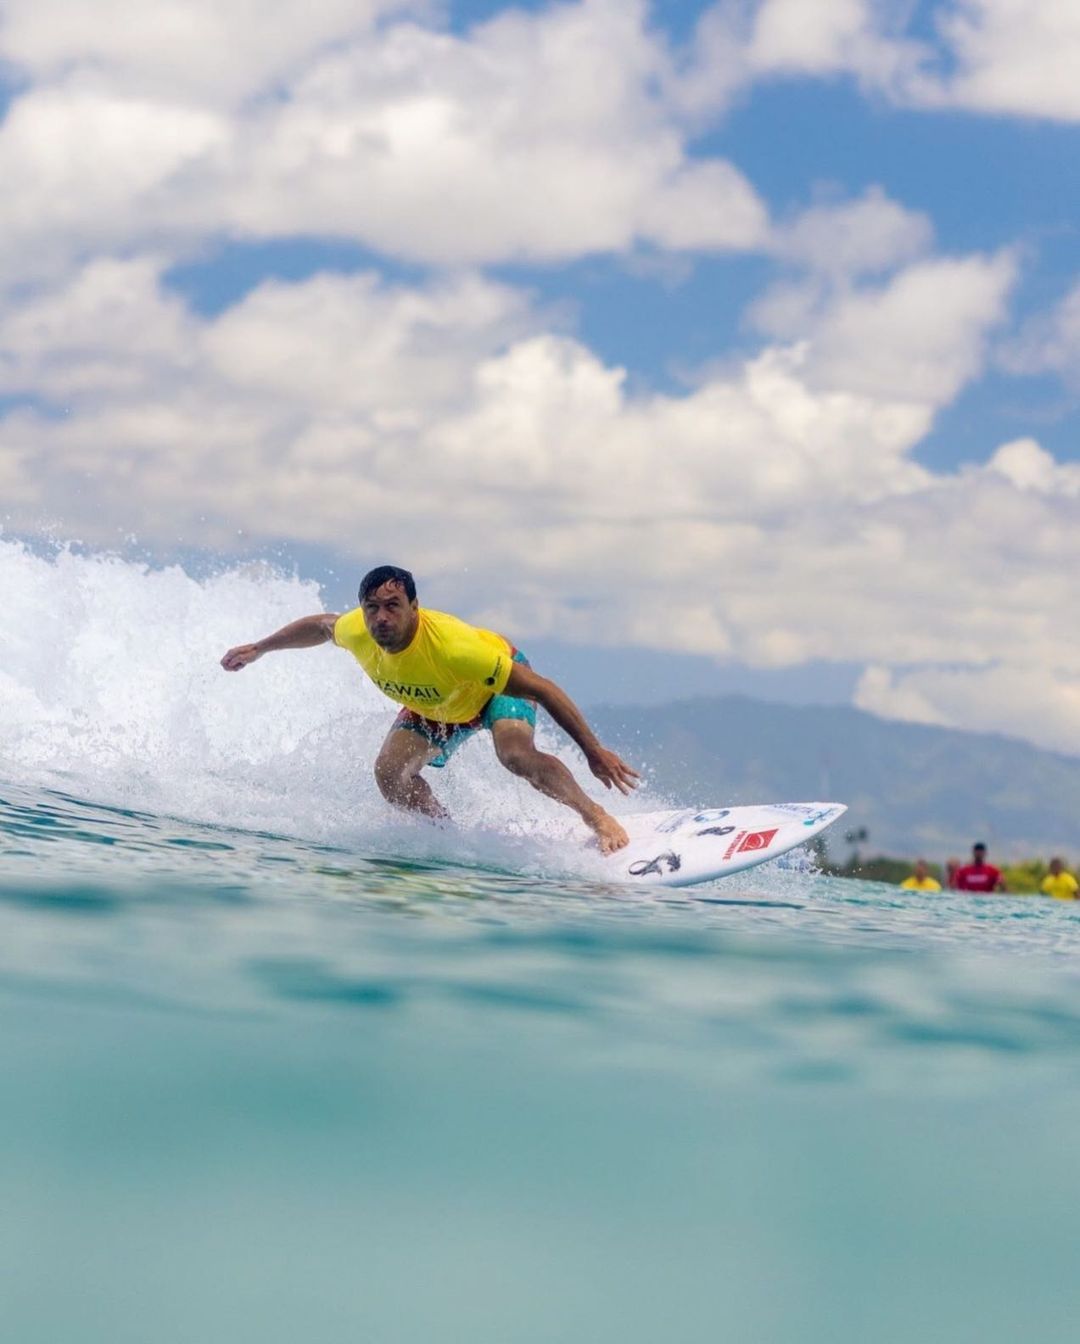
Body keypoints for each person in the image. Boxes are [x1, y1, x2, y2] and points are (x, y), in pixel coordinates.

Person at [220, 565, 639, 853]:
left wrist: (593, 752)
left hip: (488, 690)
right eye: (372, 608)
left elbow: (543, 689)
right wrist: (260, 648)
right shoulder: (357, 630)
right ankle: (446, 835)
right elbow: (321, 625)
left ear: (414, 607)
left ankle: (597, 818)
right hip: (436, 705)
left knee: (515, 755)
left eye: (393, 606)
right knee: (389, 773)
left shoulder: (457, 648)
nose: (381, 617)